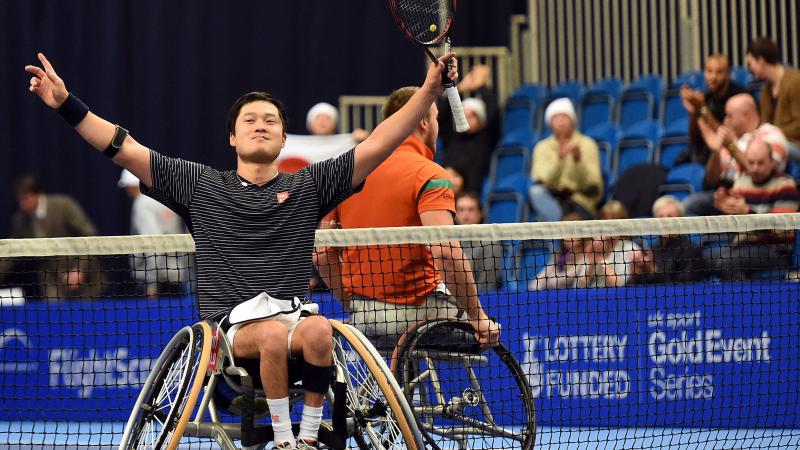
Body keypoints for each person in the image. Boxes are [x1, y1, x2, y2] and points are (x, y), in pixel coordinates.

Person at [25, 50, 459, 450]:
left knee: (321, 329)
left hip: (293, 320)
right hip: (230, 333)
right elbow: (124, 147)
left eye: (270, 120)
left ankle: (305, 438)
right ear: (232, 137)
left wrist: (427, 93)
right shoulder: (200, 185)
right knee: (271, 333)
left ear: (284, 139)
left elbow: (379, 143)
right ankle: (283, 440)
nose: (260, 125)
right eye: (250, 120)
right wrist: (67, 103)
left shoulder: (308, 185)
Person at [314, 85, 501, 350]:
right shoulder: (429, 174)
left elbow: (322, 255)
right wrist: (479, 318)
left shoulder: (345, 173)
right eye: (436, 118)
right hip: (418, 315)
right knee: (487, 330)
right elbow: (446, 253)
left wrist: (352, 304)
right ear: (424, 121)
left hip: (363, 318)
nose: (436, 126)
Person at [706, 137, 798, 280]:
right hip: (742, 246)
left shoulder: (785, 186)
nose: (755, 168)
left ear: (772, 162)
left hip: (775, 251)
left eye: (760, 163)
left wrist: (748, 212)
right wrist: (726, 211)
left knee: (727, 263)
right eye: (751, 163)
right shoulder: (741, 183)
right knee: (705, 257)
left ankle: (743, 301)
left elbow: (783, 230)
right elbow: (734, 228)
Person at [683, 93, 788, 216]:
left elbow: (760, 171)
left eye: (729, 115)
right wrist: (716, 152)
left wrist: (730, 146)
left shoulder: (771, 134)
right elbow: (711, 180)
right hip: (727, 195)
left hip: (759, 195)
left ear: (746, 115)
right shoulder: (735, 139)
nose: (725, 120)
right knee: (691, 205)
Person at [2, 175, 104, 299]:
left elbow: (89, 235)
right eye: (20, 200)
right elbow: (12, 252)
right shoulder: (20, 221)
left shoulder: (64, 206)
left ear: (37, 194)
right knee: (54, 315)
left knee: (88, 315)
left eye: (26, 198)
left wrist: (79, 269)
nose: (23, 204)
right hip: (52, 278)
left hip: (85, 276)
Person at [528, 98, 604, 221]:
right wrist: (560, 160)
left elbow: (593, 184)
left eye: (564, 116)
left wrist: (578, 160)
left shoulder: (587, 144)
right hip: (553, 201)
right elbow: (544, 181)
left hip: (579, 201)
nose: (561, 122)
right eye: (556, 118)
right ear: (550, 122)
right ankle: (560, 223)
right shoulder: (541, 148)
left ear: (572, 119)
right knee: (536, 192)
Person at [118, 169, 188, 297]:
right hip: (176, 277)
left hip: (156, 282)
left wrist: (151, 285)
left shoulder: (142, 204)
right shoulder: (167, 198)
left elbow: (154, 244)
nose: (127, 191)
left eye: (128, 187)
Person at [677, 53, 748, 165]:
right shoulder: (706, 97)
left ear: (728, 74)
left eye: (719, 72)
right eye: (709, 71)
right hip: (705, 149)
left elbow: (727, 136)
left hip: (731, 150)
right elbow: (695, 136)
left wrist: (702, 108)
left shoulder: (739, 97)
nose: (713, 77)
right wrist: (693, 112)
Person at [440, 65, 500, 194]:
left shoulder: (485, 138)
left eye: (472, 116)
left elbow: (493, 111)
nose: (467, 119)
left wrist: (480, 86)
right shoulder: (452, 138)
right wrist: (458, 89)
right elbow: (442, 113)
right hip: (446, 193)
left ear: (480, 119)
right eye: (464, 115)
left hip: (470, 197)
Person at [630, 195, 706, 285]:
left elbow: (683, 288)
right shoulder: (653, 250)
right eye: (660, 217)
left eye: (670, 216)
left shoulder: (691, 250)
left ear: (680, 221)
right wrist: (637, 273)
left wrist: (653, 270)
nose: (665, 221)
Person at [746, 37, 800, 157]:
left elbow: (799, 125)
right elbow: (765, 123)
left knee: (762, 151)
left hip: (795, 144)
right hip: (777, 139)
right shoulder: (766, 90)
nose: (749, 68)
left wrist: (772, 133)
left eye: (750, 63)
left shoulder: (795, 81)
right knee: (747, 145)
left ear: (760, 61)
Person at [529, 211, 591, 290]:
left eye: (572, 234)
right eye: (565, 234)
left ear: (581, 235)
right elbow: (541, 276)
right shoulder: (559, 254)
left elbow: (569, 278)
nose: (568, 238)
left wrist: (550, 280)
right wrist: (534, 289)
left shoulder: (586, 256)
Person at [454, 191, 503, 292]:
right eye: (461, 210)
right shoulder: (448, 243)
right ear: (455, 214)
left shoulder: (490, 244)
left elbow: (487, 286)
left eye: (471, 209)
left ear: (481, 213)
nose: (465, 214)